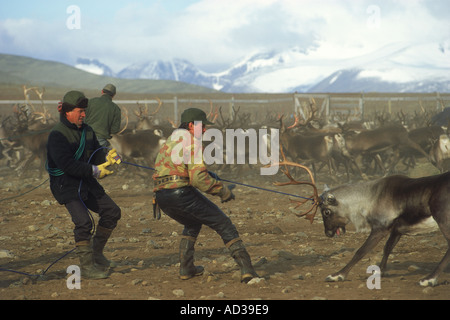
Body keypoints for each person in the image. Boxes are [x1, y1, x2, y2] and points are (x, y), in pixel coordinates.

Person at [152, 108, 258, 283]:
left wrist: (211, 177)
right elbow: (198, 179)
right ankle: (247, 270)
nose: (205, 130)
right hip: (181, 193)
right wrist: (223, 191)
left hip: (162, 197)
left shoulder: (170, 141)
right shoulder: (191, 142)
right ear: (192, 125)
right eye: (202, 126)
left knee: (192, 223)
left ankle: (186, 268)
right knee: (223, 223)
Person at [46, 90, 122, 279]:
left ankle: (96, 255)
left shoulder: (88, 131)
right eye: (80, 111)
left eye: (84, 111)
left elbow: (95, 154)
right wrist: (94, 171)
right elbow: (67, 164)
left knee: (112, 211)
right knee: (83, 222)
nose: (83, 115)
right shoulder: (57, 135)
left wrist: (107, 156)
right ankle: (87, 267)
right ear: (67, 112)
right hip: (65, 184)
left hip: (85, 181)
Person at [85, 84, 122, 149]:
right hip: (101, 141)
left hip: (85, 137)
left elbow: (82, 118)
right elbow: (115, 130)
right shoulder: (116, 109)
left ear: (102, 91)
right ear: (113, 95)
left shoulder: (90, 102)